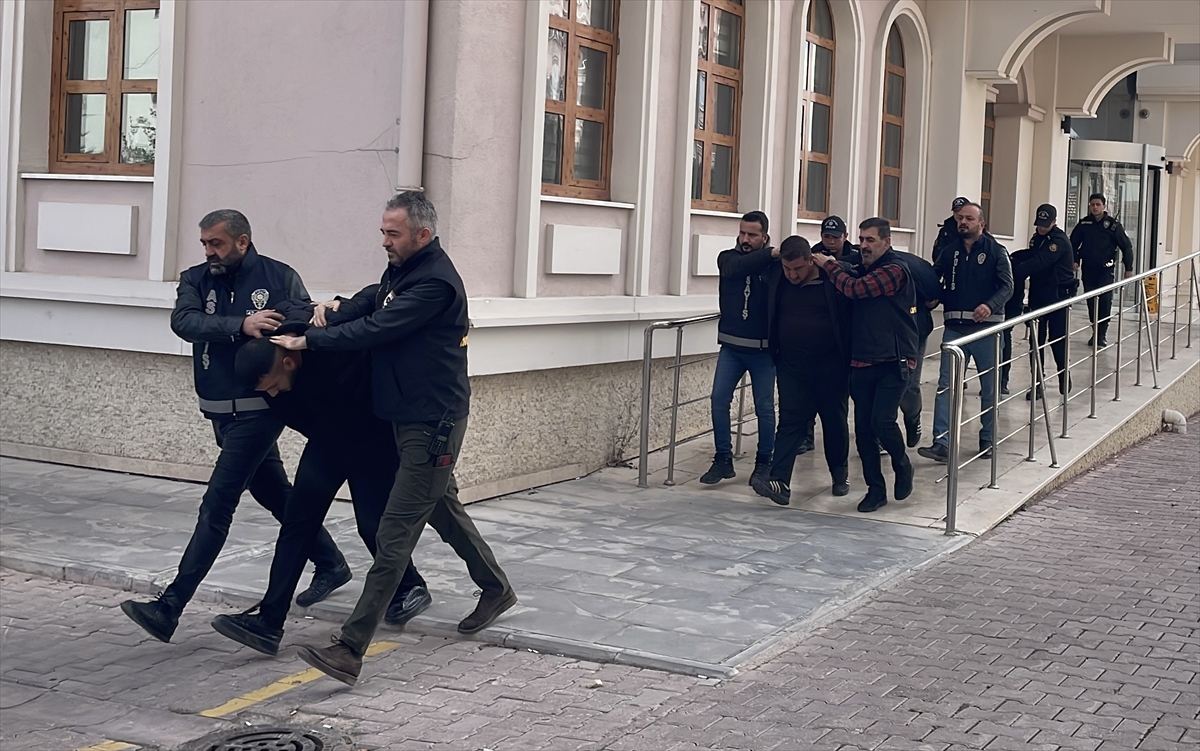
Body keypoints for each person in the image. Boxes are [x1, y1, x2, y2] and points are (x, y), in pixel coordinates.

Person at [276, 192, 515, 686]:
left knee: (393, 533)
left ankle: (350, 648)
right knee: (444, 511)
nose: (384, 240)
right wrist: (325, 310)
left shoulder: (436, 284)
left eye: (393, 233)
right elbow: (368, 301)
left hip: (434, 423)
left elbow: (378, 328)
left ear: (422, 235)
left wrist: (310, 340)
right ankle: (496, 588)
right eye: (384, 231)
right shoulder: (402, 271)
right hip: (407, 418)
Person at [120, 210, 349, 643]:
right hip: (218, 411)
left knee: (218, 503)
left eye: (217, 244)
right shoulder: (195, 279)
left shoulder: (278, 277)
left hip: (259, 412)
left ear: (242, 242)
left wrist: (275, 328)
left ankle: (170, 606)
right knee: (272, 491)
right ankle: (330, 560)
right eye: (205, 243)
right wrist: (238, 326)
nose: (209, 252)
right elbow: (183, 322)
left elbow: (298, 319)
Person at [208, 331, 435, 656]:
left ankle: (411, 586)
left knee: (372, 527)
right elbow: (299, 413)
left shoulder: (332, 353)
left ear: (289, 361)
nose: (271, 393)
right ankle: (269, 623)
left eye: (272, 384)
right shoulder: (272, 382)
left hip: (372, 444)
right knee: (297, 526)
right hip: (326, 446)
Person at [812, 218, 918, 513]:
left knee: (882, 421)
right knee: (863, 430)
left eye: (870, 240)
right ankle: (876, 489)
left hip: (893, 360)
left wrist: (829, 265)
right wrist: (836, 264)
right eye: (861, 239)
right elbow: (852, 272)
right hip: (862, 360)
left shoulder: (895, 270)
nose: (864, 245)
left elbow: (856, 289)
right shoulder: (863, 266)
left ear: (887, 241)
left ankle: (902, 464)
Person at [752, 236, 852, 506]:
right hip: (791, 365)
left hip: (830, 365)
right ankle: (779, 482)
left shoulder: (830, 279)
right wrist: (770, 255)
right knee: (790, 422)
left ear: (811, 259)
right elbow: (734, 264)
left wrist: (831, 264)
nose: (793, 274)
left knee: (834, 421)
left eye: (798, 268)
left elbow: (856, 276)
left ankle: (839, 475)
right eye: (788, 269)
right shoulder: (778, 277)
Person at [918, 203, 1014, 464]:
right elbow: (934, 278)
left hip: (987, 329)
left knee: (989, 388)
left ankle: (988, 438)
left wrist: (989, 305)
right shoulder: (949, 252)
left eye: (969, 218)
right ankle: (942, 442)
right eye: (960, 218)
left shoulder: (996, 251)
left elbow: (1008, 286)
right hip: (955, 329)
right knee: (946, 387)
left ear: (981, 224)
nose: (963, 222)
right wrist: (931, 297)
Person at [700, 211, 778, 488]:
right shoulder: (728, 258)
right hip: (731, 347)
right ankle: (723, 458)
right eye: (742, 233)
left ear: (764, 237)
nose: (745, 239)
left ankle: (764, 463)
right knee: (719, 400)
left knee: (765, 408)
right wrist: (770, 254)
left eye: (752, 235)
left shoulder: (774, 266)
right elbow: (739, 267)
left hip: (763, 351)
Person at [1014, 204, 1075, 399]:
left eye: (1045, 225)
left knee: (1057, 340)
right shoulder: (1037, 238)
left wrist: (1016, 271)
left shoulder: (1058, 241)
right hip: (1039, 297)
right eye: (1039, 224)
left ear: (1054, 222)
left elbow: (1040, 262)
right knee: (1035, 342)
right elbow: (1031, 255)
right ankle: (1037, 383)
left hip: (1058, 297)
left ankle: (1064, 375)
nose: (1041, 228)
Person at [889, 250, 941, 448]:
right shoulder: (863, 264)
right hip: (880, 337)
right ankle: (884, 434)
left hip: (913, 334)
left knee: (908, 385)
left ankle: (912, 418)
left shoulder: (915, 266)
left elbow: (933, 298)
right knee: (882, 387)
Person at [1070, 193, 1134, 347]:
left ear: (1104, 206)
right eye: (1092, 204)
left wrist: (1128, 268)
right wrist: (1075, 260)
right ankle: (1095, 331)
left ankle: (1101, 334)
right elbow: (1072, 243)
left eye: (1098, 204)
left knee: (1104, 302)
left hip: (1106, 270)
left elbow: (1126, 246)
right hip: (1089, 269)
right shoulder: (1084, 224)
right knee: (1092, 301)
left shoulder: (1112, 226)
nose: (1095, 207)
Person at [931, 197, 970, 265]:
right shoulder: (946, 231)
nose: (958, 213)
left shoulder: (977, 229)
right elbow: (937, 256)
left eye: (961, 210)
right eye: (956, 211)